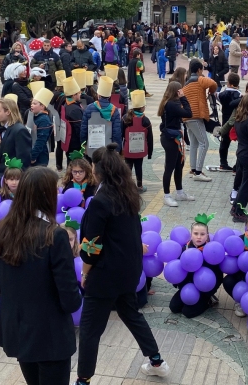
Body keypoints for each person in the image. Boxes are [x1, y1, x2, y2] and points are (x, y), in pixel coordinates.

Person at [76, 145, 170, 383]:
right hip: (128, 272)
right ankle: (157, 361)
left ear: (98, 170)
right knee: (131, 315)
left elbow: (91, 245)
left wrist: (85, 272)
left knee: (90, 330)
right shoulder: (127, 194)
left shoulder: (100, 201)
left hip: (105, 274)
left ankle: (83, 380)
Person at [0, 167, 81, 385]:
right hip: (51, 335)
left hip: (17, 331)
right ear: (47, 196)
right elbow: (70, 299)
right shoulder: (54, 235)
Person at [168, 214, 223, 318]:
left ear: (207, 236)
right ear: (191, 235)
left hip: (203, 290)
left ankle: (209, 300)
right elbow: (178, 270)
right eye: (196, 233)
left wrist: (209, 291)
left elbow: (218, 275)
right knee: (174, 307)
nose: (199, 237)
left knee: (187, 312)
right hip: (187, 287)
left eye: (202, 234)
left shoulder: (211, 252)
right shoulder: (185, 249)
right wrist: (181, 285)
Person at [157, 81, 193, 207]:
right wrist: (183, 98)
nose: (182, 91)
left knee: (179, 165)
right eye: (180, 90)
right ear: (177, 91)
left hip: (174, 137)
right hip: (170, 139)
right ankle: (167, 195)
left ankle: (180, 192)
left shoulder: (169, 102)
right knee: (170, 167)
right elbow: (189, 113)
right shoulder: (171, 104)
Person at [181, 59, 217, 182]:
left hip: (187, 118)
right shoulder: (199, 79)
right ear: (199, 70)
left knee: (194, 144)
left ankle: (193, 169)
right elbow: (213, 83)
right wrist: (211, 92)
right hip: (196, 116)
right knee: (204, 143)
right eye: (202, 70)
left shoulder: (186, 84)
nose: (203, 72)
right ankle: (198, 172)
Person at [122, 90, 152, 192]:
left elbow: (121, 134)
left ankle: (127, 186)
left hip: (128, 149)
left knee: (128, 168)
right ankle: (139, 186)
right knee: (139, 167)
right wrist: (150, 152)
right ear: (142, 107)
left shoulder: (125, 118)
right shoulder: (146, 120)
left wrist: (121, 148)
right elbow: (150, 138)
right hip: (140, 150)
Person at [0, 98, 31, 180]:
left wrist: (15, 181)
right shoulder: (5, 129)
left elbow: (23, 160)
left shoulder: (20, 130)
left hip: (13, 180)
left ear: (8, 112)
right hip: (3, 176)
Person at [217, 73, 242, 171]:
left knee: (224, 143)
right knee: (240, 143)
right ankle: (237, 165)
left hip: (225, 121)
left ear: (229, 83)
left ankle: (223, 163)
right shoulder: (239, 95)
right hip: (236, 121)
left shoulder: (222, 94)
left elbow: (215, 96)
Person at [28, 88, 54, 167]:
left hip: (40, 156)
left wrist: (33, 156)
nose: (32, 105)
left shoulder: (44, 120)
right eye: (32, 103)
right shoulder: (34, 116)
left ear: (42, 106)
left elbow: (40, 141)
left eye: (35, 104)